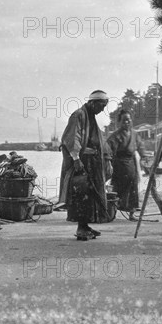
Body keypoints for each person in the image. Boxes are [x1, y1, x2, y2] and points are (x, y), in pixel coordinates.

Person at [59, 90, 112, 241]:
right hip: (81, 163)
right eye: (101, 106)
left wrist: (107, 158)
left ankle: (86, 225)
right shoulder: (79, 115)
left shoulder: (91, 117)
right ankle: (81, 228)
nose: (102, 110)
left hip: (92, 162)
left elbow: (100, 140)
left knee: (91, 196)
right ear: (93, 103)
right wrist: (76, 158)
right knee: (81, 195)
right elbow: (72, 138)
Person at [106, 110, 147, 221]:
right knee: (117, 190)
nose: (127, 122)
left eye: (129, 119)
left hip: (131, 165)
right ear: (120, 122)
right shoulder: (115, 135)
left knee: (133, 190)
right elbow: (107, 149)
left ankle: (132, 214)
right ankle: (112, 213)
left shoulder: (134, 134)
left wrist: (144, 158)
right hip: (119, 165)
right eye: (124, 120)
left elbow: (141, 147)